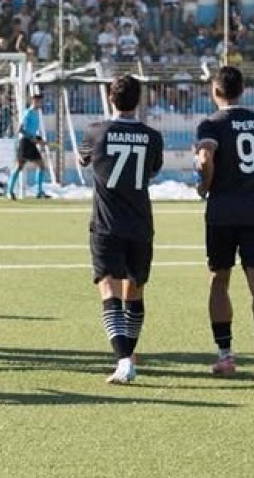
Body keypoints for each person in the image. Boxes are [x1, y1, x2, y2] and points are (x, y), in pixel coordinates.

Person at [194, 65, 254, 387]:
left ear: (215, 90)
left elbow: (206, 159)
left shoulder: (211, 124)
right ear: (242, 89)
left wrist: (206, 185)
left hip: (222, 213)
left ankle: (225, 355)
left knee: (219, 282)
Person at [77, 76, 163, 385]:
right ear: (138, 101)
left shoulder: (95, 132)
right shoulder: (153, 136)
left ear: (111, 100)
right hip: (140, 223)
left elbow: (83, 159)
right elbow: (152, 170)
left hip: (106, 223)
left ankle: (124, 359)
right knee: (135, 292)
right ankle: (129, 355)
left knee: (108, 289)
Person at [8, 91, 50, 200]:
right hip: (25, 142)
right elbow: (20, 129)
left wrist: (39, 139)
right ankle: (9, 191)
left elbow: (31, 130)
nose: (41, 103)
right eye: (39, 101)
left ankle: (39, 191)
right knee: (19, 167)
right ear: (34, 101)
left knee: (41, 166)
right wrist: (33, 138)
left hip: (30, 142)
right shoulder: (28, 113)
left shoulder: (36, 114)